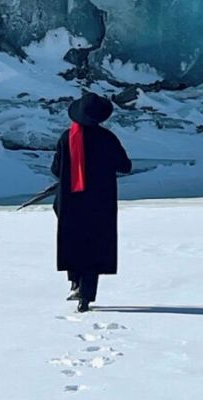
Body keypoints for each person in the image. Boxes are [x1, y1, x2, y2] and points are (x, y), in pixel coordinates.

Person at [50, 92, 132, 312]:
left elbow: (55, 170)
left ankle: (75, 282)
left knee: (73, 240)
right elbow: (125, 166)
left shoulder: (67, 137)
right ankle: (85, 295)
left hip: (70, 199)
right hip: (99, 201)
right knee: (94, 245)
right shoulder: (107, 138)